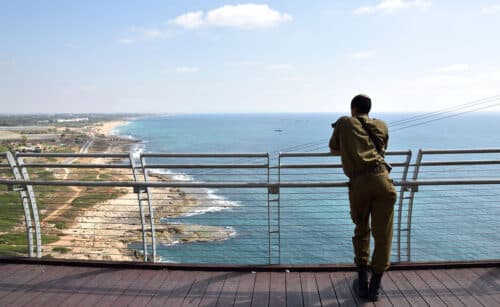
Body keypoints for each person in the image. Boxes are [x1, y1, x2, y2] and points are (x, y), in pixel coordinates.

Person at [329, 94, 397, 301]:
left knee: (361, 230)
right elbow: (382, 149)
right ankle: (375, 286)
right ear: (369, 108)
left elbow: (334, 149)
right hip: (383, 181)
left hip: (359, 183)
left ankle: (362, 282)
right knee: (383, 236)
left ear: (353, 108)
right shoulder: (382, 125)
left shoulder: (344, 122)